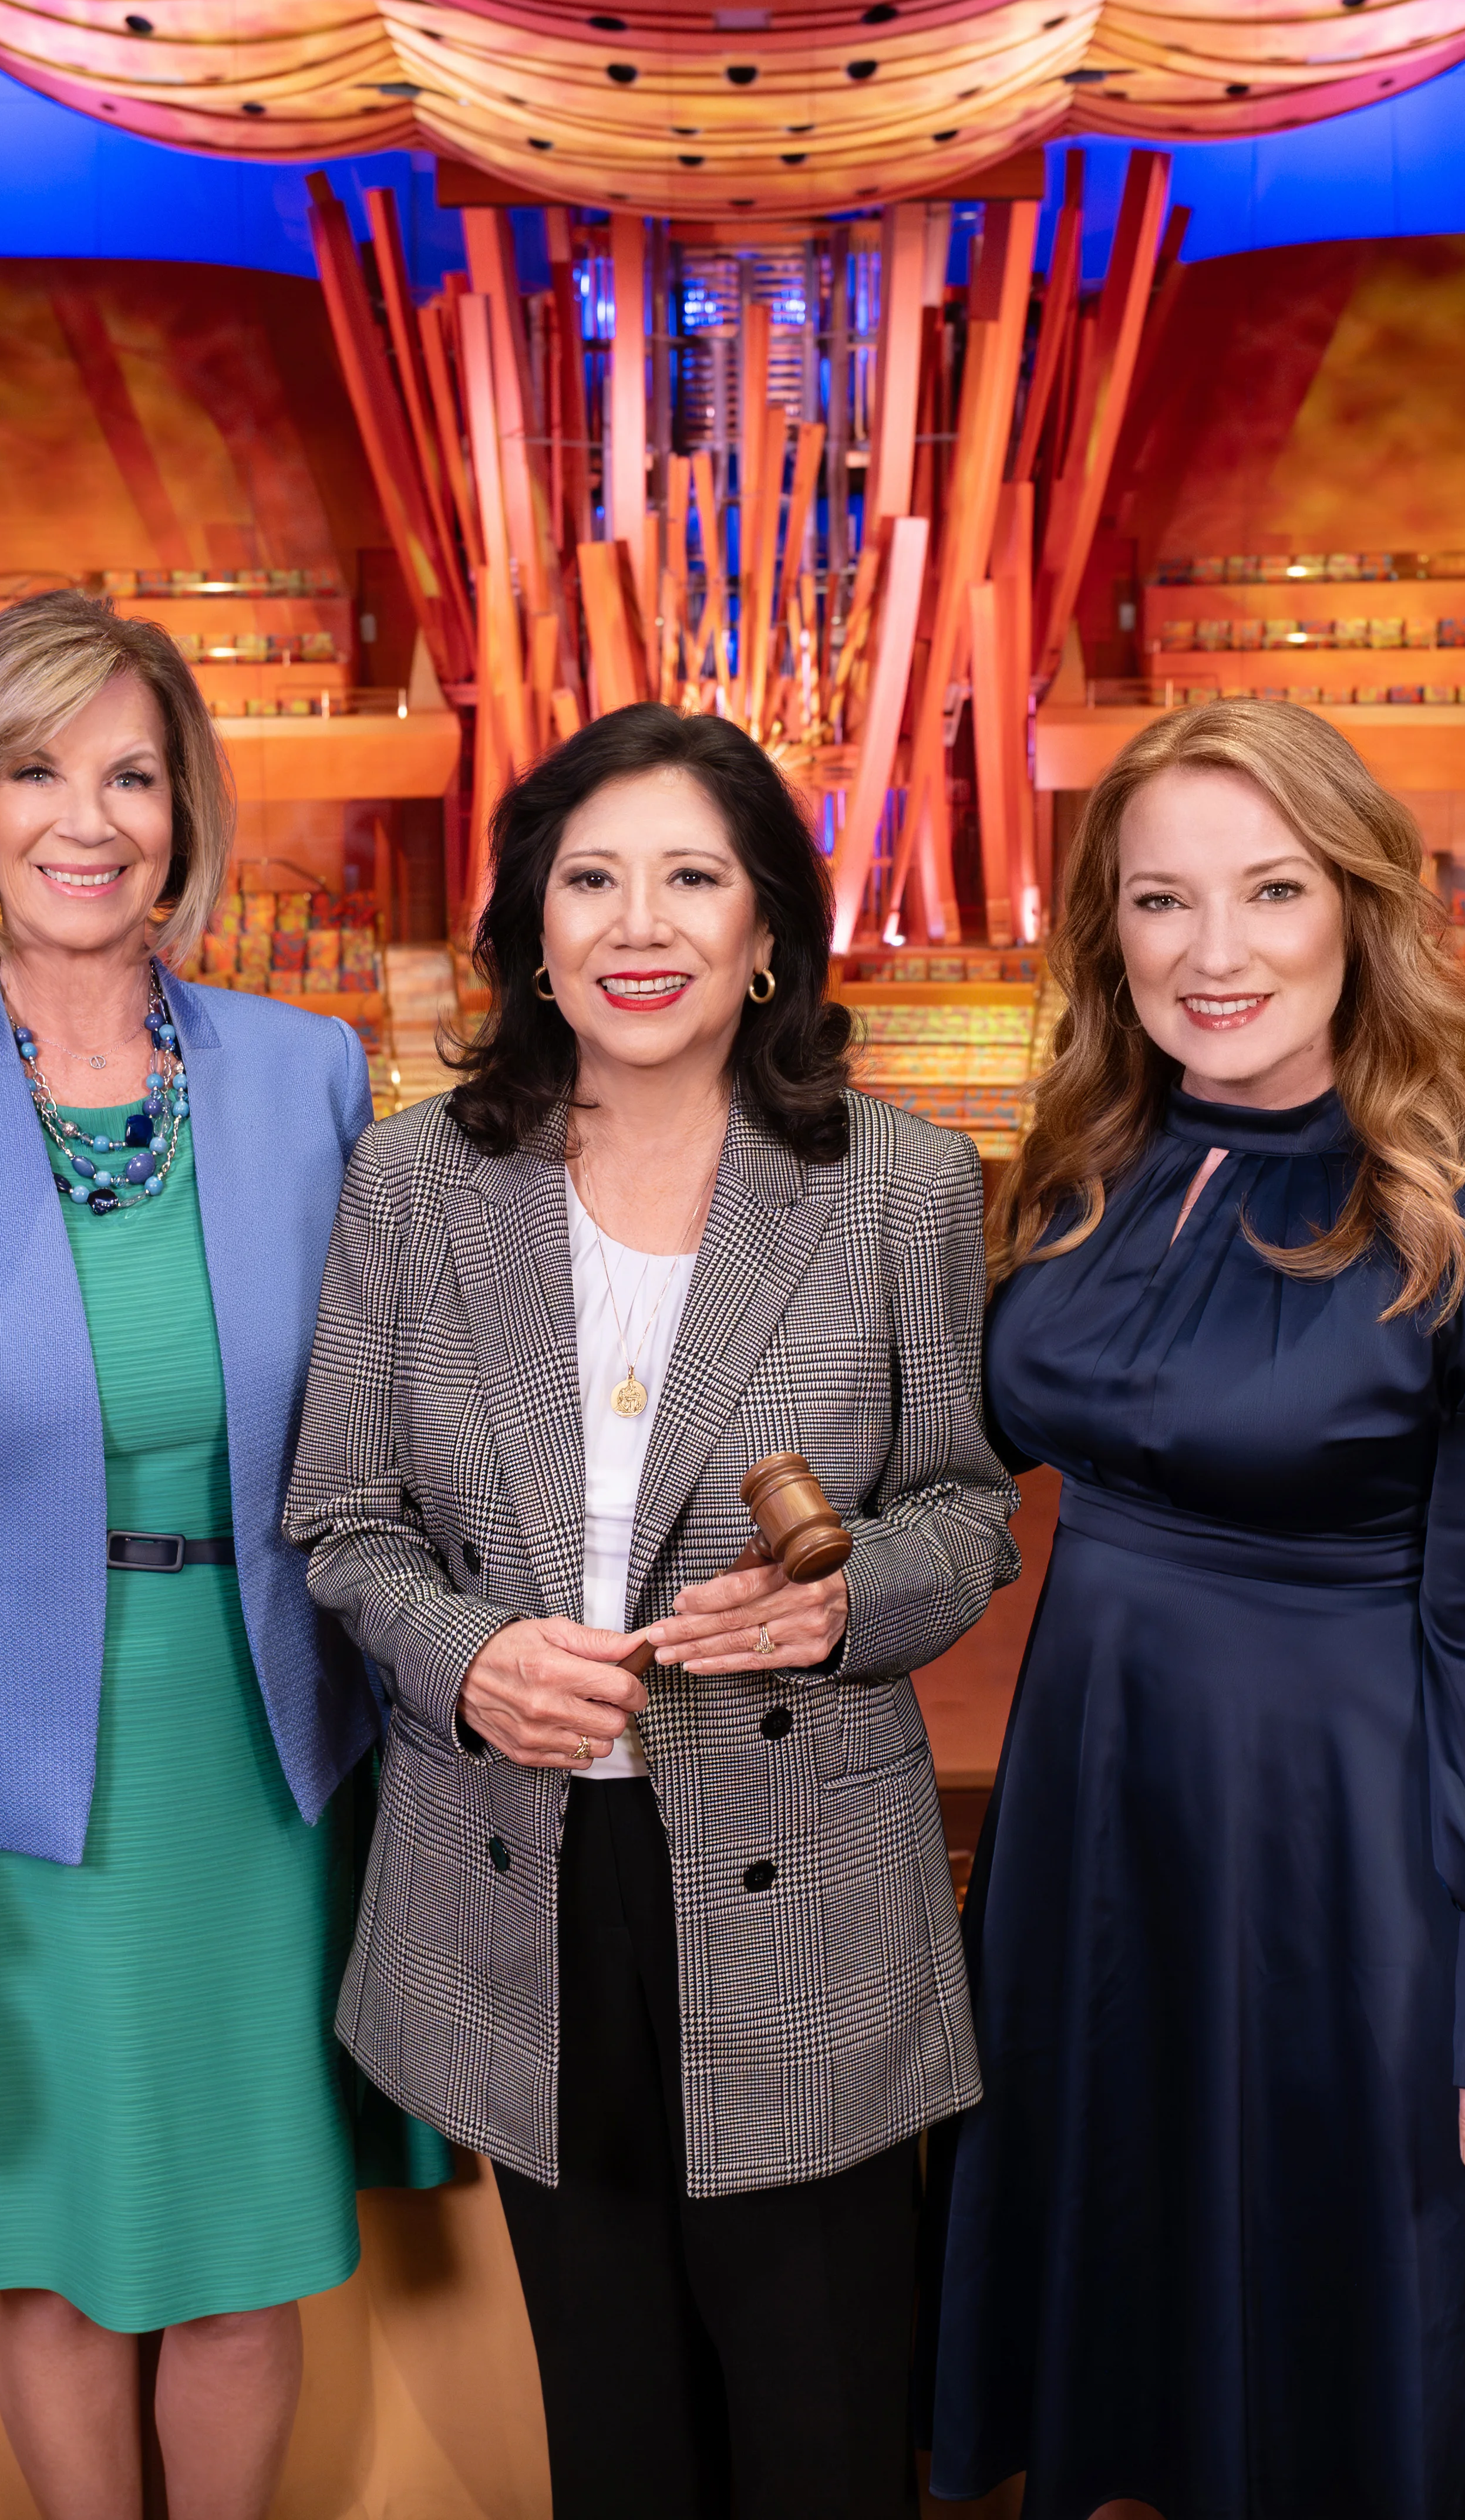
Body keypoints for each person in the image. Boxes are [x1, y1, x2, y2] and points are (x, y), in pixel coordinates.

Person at [286, 701, 1021, 2519]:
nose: (638, 923)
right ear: (529, 930)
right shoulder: (413, 1183)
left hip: (804, 1884)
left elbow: (963, 1507)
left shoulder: (895, 1185)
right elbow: (340, 1520)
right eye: (589, 878)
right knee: (615, 2439)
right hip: (529, 1884)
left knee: (824, 2432)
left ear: (769, 930)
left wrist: (842, 1615)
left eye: (692, 875)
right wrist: (467, 1659)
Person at [0, 588, 434, 2520]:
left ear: (184, 811)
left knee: (240, 2250)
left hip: (265, 1766)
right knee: (58, 2257)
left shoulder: (305, 1077)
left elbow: (391, 1438)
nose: (88, 814)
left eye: (133, 772)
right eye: (39, 766)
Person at [922, 697, 1465, 2520]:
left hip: (1352, 1864)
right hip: (1099, 1835)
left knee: (1343, 2366)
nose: (1212, 952)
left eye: (1268, 890)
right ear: (1111, 936)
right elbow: (942, 1454)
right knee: (1138, 2333)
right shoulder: (1082, 1178)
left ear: (1356, 907)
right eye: (1160, 903)